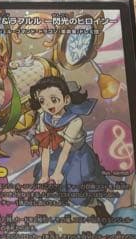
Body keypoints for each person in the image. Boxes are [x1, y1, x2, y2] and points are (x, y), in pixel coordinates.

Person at [28, 76, 109, 207]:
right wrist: (45, 175)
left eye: (54, 99)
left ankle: (96, 205)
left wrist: (57, 173)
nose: (48, 105)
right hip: (59, 152)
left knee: (74, 188)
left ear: (66, 100)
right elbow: (45, 150)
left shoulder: (75, 121)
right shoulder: (44, 118)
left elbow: (66, 150)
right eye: (42, 101)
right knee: (43, 176)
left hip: (79, 155)